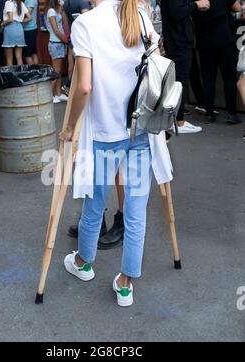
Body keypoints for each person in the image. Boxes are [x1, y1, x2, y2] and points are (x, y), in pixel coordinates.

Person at [59, 0, 174, 307]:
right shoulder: (140, 16)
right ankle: (126, 283)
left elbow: (83, 87)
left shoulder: (85, 24)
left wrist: (69, 127)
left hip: (105, 131)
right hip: (140, 128)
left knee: (95, 202)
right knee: (136, 210)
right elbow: (158, 71)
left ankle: (84, 263)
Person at [161, 0, 210, 134]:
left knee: (179, 80)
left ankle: (177, 119)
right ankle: (179, 121)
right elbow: (177, 12)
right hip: (179, 41)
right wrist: (196, 4)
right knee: (180, 81)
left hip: (179, 40)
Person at [194, 0, 243, 124]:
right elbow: (237, 8)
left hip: (204, 39)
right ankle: (231, 113)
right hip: (224, 38)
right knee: (229, 77)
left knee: (208, 78)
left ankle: (209, 113)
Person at [62, 0, 92, 95]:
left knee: (72, 64)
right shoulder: (83, 3)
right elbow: (87, 21)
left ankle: (70, 86)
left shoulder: (66, 4)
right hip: (85, 39)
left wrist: (70, 36)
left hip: (73, 36)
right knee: (85, 66)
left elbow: (65, 24)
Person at [46, 0, 69, 104]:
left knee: (58, 72)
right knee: (56, 71)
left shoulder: (58, 11)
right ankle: (50, 96)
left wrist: (61, 10)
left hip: (59, 43)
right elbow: (55, 29)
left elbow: (65, 25)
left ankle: (59, 94)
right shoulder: (51, 11)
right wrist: (65, 40)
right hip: (56, 43)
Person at [1, 0, 31, 66]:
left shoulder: (8, 3)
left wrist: (2, 24)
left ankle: (10, 76)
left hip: (10, 29)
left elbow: (10, 19)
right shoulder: (21, 3)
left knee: (9, 58)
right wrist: (20, 21)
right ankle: (20, 75)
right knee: (19, 57)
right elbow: (29, 17)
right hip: (19, 28)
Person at [23, 0, 39, 65]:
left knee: (27, 55)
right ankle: (36, 72)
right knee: (33, 53)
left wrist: (17, 19)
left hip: (29, 29)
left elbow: (28, 15)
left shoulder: (30, 0)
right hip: (31, 28)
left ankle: (33, 74)